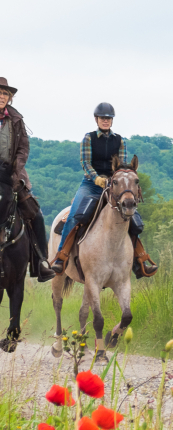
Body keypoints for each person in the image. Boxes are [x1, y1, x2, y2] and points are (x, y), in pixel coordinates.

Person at [51, 103, 158, 278]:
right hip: (91, 184)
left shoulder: (120, 140)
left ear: (112, 120)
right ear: (97, 119)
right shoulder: (89, 138)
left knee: (132, 219)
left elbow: (122, 167)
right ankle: (60, 258)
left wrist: (115, 181)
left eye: (108, 118)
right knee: (75, 215)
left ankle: (140, 261)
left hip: (114, 186)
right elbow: (85, 163)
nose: (105, 121)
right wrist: (96, 178)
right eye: (102, 118)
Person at [0, 77, 56, 282]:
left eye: (5, 94)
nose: (2, 96)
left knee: (36, 214)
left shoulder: (16, 120)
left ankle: (40, 262)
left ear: (10, 98)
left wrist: (17, 170)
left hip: (11, 174)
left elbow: (23, 147)